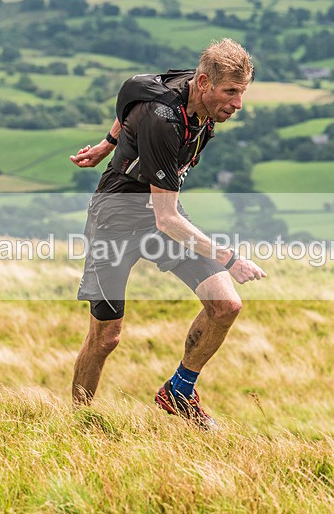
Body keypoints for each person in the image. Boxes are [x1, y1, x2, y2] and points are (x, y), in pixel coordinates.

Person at [69, 38, 266, 430]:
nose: (238, 104)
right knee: (106, 338)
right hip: (118, 218)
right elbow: (168, 220)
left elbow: (130, 92)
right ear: (205, 82)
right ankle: (79, 424)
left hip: (159, 206)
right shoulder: (164, 119)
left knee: (226, 305)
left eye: (242, 93)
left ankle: (178, 391)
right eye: (231, 92)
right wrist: (230, 258)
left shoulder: (194, 91)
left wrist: (109, 143)